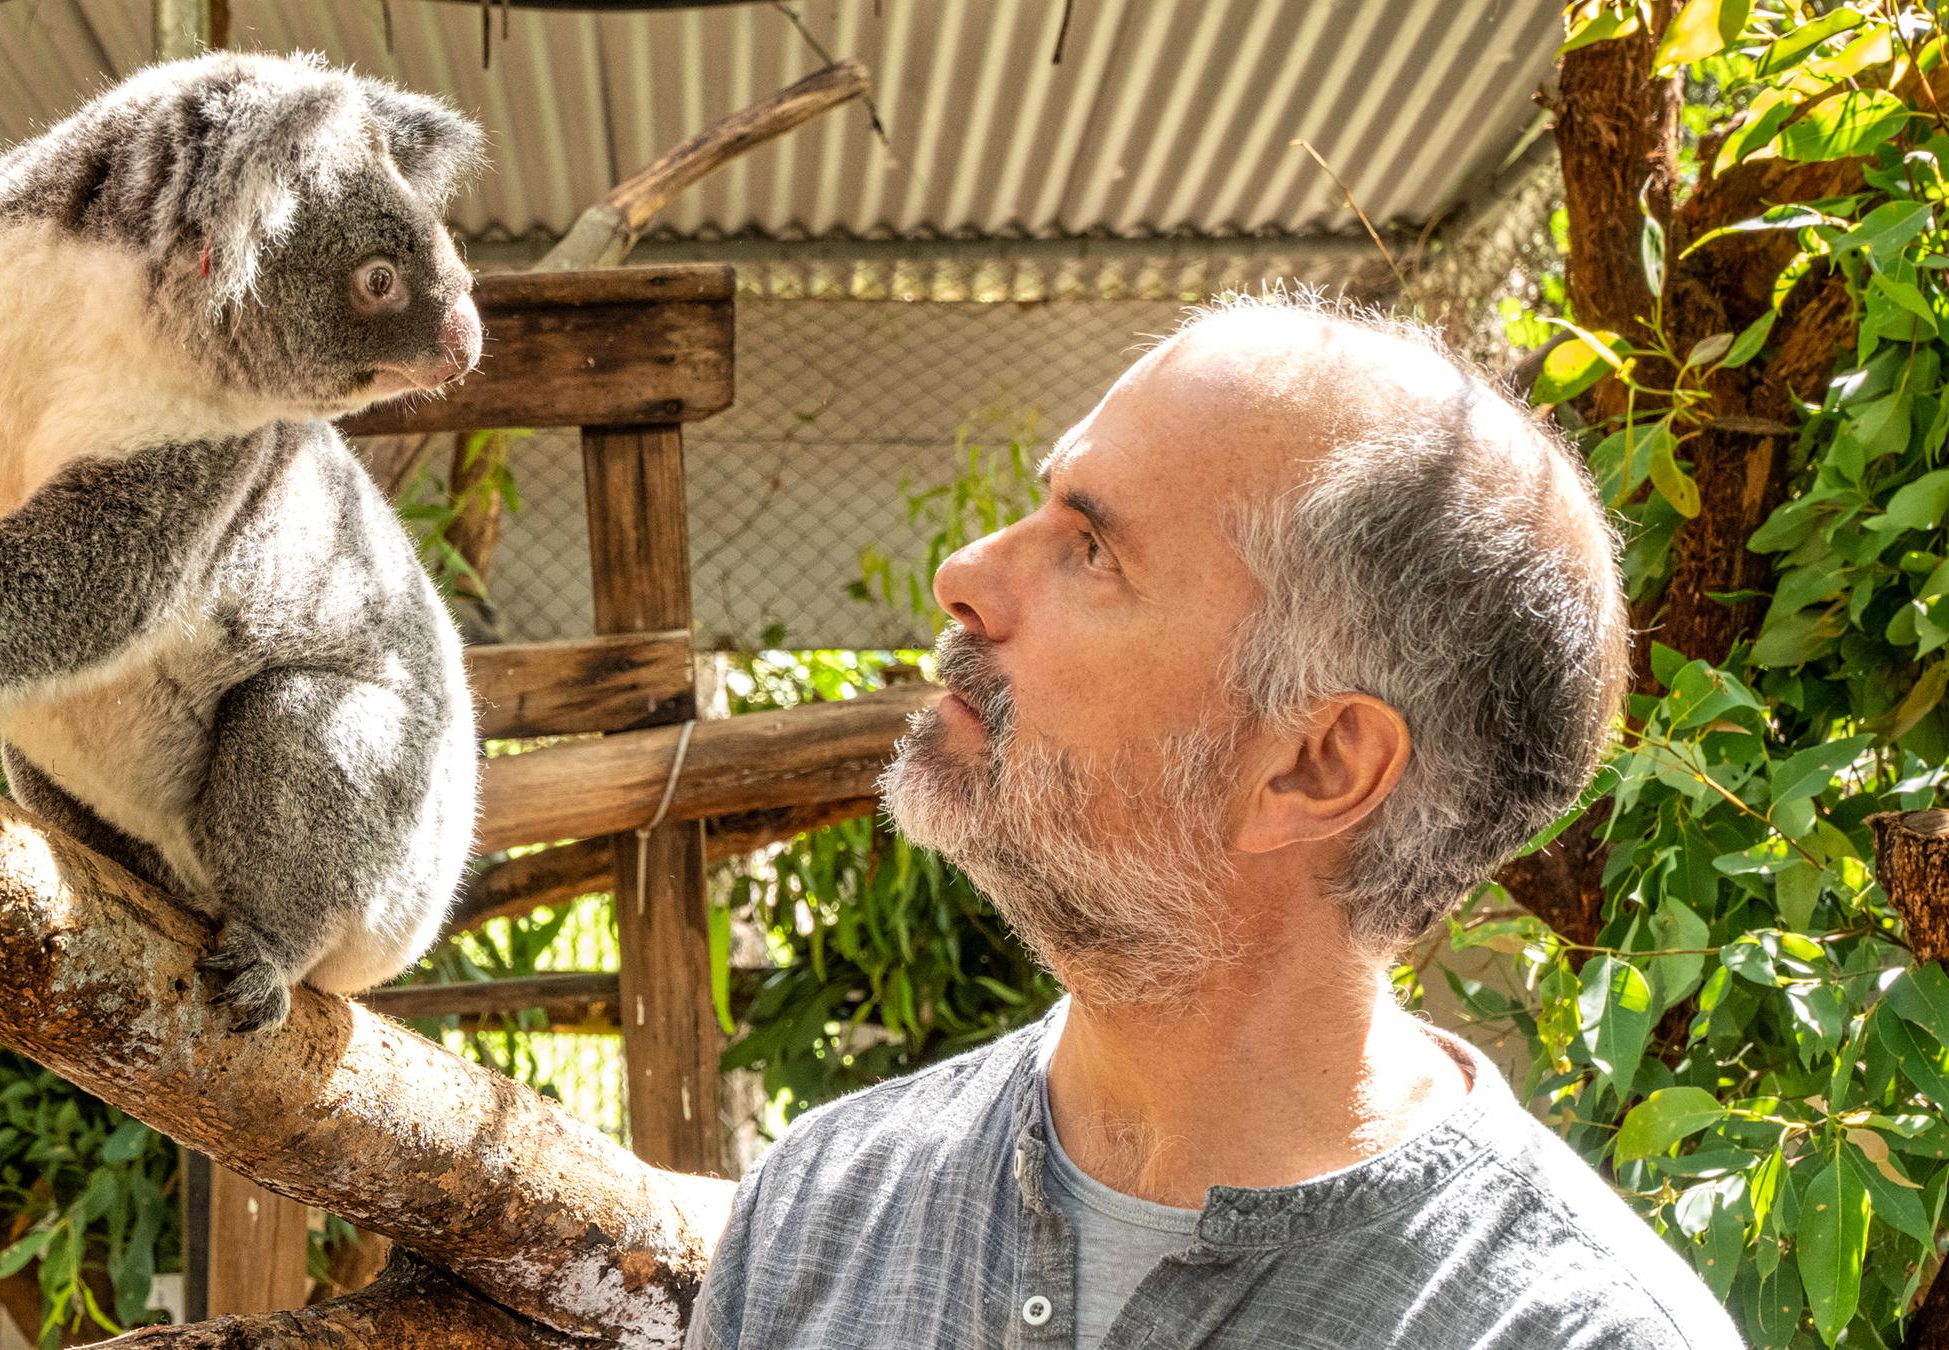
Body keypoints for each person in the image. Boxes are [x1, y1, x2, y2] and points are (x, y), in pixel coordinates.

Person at [684, 294, 1745, 1349]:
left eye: (1092, 549)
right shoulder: (820, 1208)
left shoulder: (1570, 1332)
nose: (963, 575)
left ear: (1315, 765)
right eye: (1041, 506)